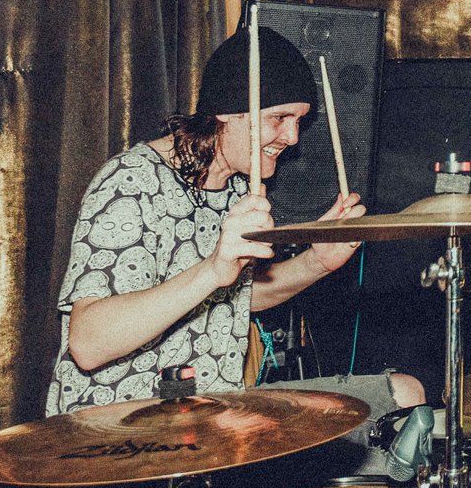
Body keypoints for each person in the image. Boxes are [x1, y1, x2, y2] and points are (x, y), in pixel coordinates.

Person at [46, 25, 366, 415]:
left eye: (299, 120)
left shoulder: (238, 187)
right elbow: (88, 343)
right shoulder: (132, 181)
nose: (293, 137)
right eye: (280, 117)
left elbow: (235, 299)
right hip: (117, 436)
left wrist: (316, 262)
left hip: (205, 425)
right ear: (226, 112)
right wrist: (213, 269)